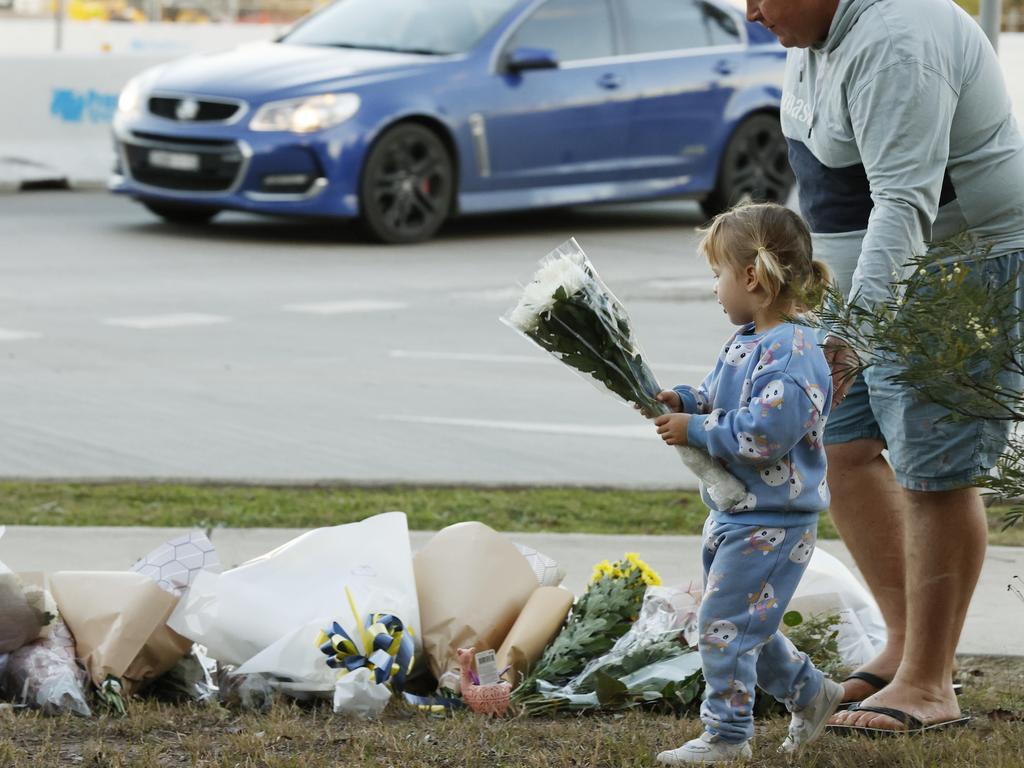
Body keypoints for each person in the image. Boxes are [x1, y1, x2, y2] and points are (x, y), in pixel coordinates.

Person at [745, 0, 1024, 734]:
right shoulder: (813, 32)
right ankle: (903, 649)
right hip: (866, 280)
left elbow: (902, 203)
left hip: (956, 273)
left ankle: (930, 683)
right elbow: (829, 189)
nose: (749, 12)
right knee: (838, 448)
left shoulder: (899, 40)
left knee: (935, 471)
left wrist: (852, 338)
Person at [651, 203, 842, 764]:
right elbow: (719, 398)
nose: (715, 288)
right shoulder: (746, 340)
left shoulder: (793, 353)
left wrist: (697, 427)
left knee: (722, 624)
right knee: (745, 621)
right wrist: (685, 402)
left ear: (753, 277)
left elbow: (766, 434)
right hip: (739, 513)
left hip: (773, 521)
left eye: (718, 274)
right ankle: (813, 693)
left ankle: (727, 737)